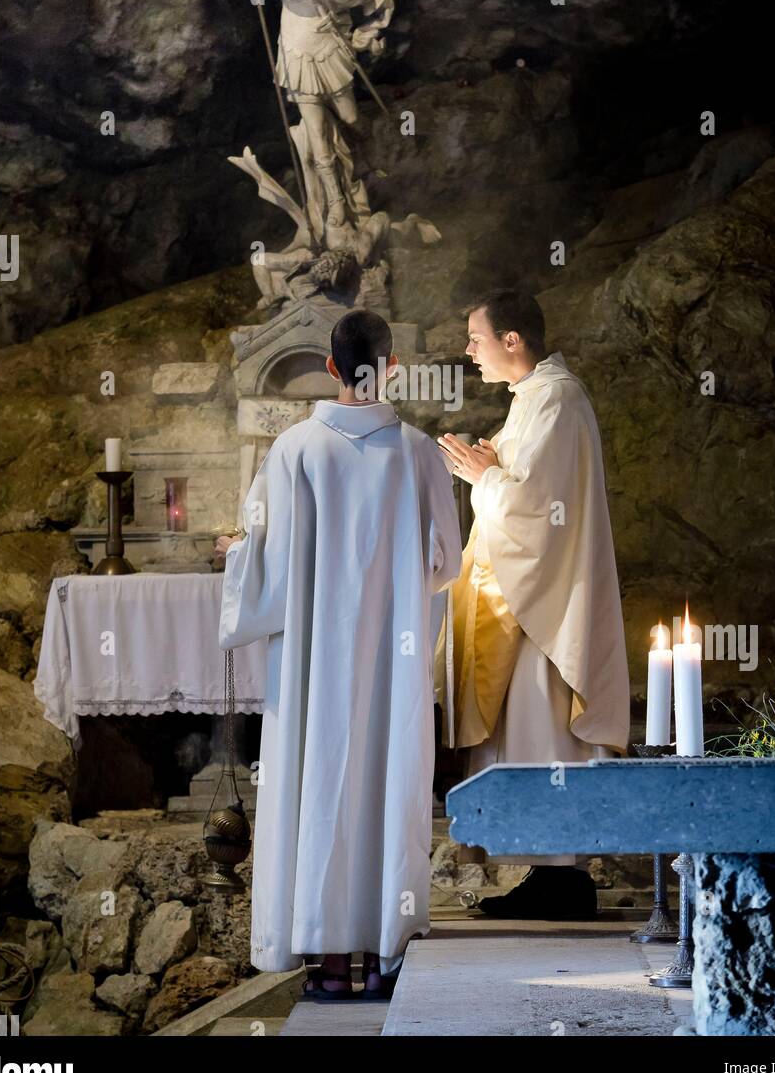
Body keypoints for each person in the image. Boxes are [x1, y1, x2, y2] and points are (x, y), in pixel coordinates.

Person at [217, 309, 461, 999]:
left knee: (320, 787)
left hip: (313, 669)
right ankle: (386, 953)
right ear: (392, 367)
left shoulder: (292, 450)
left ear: (330, 367)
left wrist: (236, 559)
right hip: (393, 659)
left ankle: (327, 964)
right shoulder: (417, 452)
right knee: (386, 788)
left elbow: (261, 558)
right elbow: (446, 561)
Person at [437, 290, 630, 909]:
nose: (469, 351)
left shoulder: (556, 399)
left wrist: (481, 475)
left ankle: (562, 872)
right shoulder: (533, 402)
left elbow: (540, 512)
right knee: (526, 734)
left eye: (477, 337)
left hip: (542, 610)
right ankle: (550, 872)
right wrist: (491, 467)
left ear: (512, 339)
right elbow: (524, 490)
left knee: (540, 730)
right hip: (525, 600)